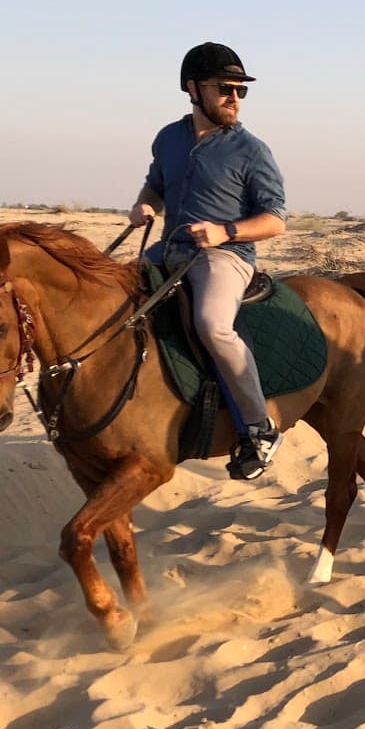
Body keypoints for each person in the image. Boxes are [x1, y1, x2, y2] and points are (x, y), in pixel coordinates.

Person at [130, 42, 289, 479]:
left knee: (212, 325)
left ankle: (260, 429)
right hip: (169, 249)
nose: (235, 98)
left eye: (241, 91)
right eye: (226, 88)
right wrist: (144, 206)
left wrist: (225, 232)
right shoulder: (169, 138)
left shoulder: (251, 150)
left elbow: (276, 220)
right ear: (193, 88)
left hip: (224, 257)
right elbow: (154, 187)